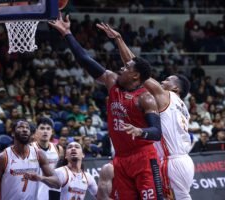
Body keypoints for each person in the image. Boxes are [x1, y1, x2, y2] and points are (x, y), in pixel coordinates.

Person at [49, 14, 163, 199]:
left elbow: (157, 132)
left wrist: (140, 131)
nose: (121, 69)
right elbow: (85, 60)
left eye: (127, 68)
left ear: (135, 76)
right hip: (120, 158)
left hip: (143, 157)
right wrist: (67, 33)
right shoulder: (112, 82)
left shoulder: (146, 99)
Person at [97, 23, 195, 200]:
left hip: (172, 161)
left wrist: (119, 39)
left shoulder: (165, 96)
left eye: (167, 80)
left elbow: (136, 68)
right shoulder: (182, 107)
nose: (162, 82)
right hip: (182, 159)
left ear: (176, 89)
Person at [0, 120, 60, 200]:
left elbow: (57, 183)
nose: (25, 130)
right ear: (13, 133)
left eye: (27, 128)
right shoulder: (3, 157)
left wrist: (41, 178)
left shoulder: (39, 154)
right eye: (20, 127)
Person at [31, 117, 64, 200]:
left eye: (48, 128)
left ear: (51, 132)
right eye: (42, 128)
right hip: (35, 190)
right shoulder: (30, 148)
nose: (45, 131)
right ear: (36, 131)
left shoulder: (58, 149)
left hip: (54, 190)